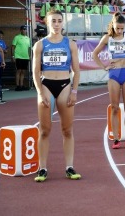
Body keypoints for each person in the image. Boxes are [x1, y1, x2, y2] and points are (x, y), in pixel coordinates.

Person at [32, 11, 81, 182]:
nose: (57, 24)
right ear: (47, 23)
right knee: (44, 130)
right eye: (53, 21)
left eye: (60, 21)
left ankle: (69, 167)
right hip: (46, 86)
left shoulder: (70, 44)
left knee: (67, 130)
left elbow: (76, 71)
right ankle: (42, 168)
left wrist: (74, 91)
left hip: (65, 86)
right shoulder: (40, 45)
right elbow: (35, 72)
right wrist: (39, 91)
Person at [93, 13, 125, 149]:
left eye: (122, 28)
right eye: (118, 28)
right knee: (114, 107)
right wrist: (104, 67)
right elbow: (94, 54)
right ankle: (116, 139)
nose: (120, 31)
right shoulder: (107, 38)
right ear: (113, 26)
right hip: (113, 74)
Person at [12, 25, 31, 91]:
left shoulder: (28, 38)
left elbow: (28, 48)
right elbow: (13, 47)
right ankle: (17, 86)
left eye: (25, 29)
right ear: (20, 30)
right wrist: (13, 56)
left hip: (25, 57)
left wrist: (29, 56)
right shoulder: (17, 37)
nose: (24, 31)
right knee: (18, 71)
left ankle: (21, 85)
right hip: (18, 57)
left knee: (23, 71)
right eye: (23, 29)